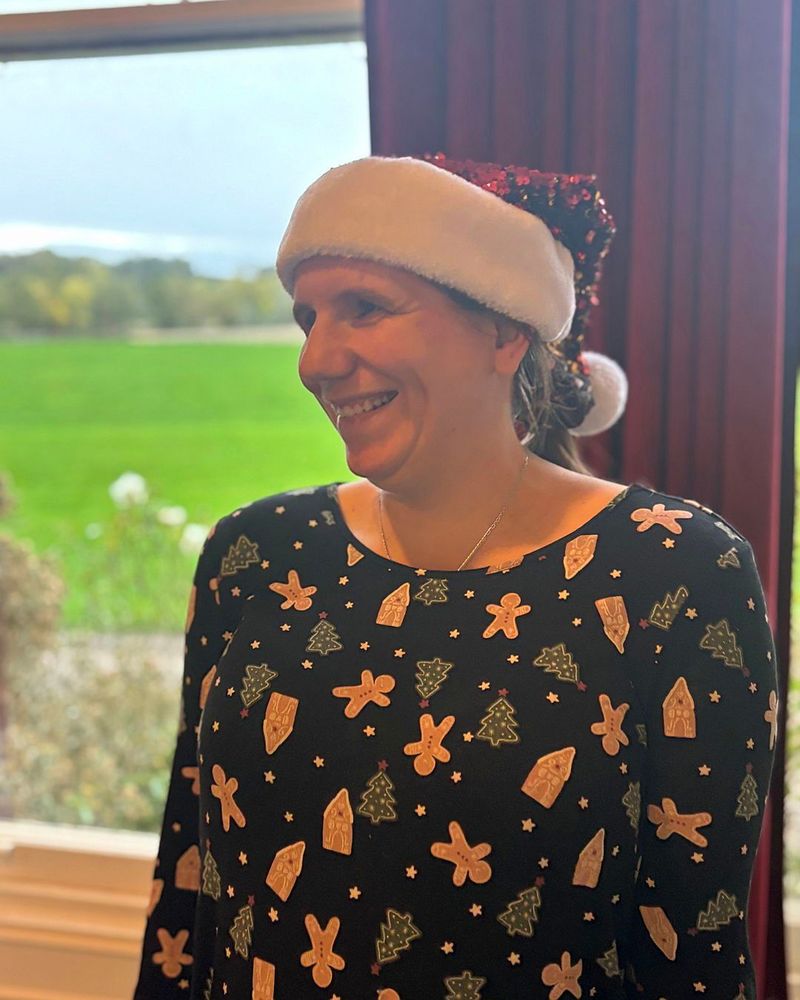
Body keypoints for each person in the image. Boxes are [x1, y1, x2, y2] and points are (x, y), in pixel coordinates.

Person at [133, 153, 778, 999]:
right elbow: (190, 895)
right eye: (307, 318)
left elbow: (694, 950)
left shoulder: (675, 570)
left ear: (506, 331)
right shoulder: (256, 554)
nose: (316, 360)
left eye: (365, 308)